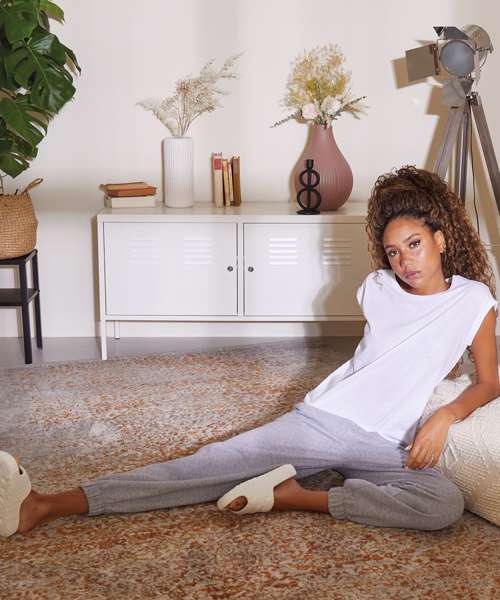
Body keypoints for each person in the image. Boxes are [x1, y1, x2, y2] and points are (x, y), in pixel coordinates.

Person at [1, 166, 498, 538]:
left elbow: (489, 381)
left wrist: (445, 416)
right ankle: (48, 504)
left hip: (389, 443)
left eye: (414, 244)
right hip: (327, 419)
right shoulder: (378, 288)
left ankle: (294, 495)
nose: (404, 260)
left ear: (439, 239)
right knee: (208, 466)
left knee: (441, 503)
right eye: (393, 251)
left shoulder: (475, 301)